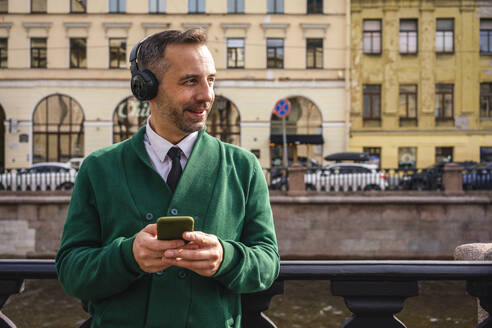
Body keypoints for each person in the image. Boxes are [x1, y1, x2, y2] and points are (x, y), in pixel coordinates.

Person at [55, 29, 280, 328]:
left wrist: (226, 258)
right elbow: (71, 272)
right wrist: (127, 257)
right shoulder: (99, 168)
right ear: (146, 87)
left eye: (210, 80)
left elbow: (267, 262)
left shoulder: (244, 167)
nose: (207, 95)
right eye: (190, 81)